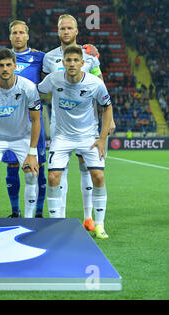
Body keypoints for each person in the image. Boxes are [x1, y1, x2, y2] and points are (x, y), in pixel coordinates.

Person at [42, 14, 114, 230]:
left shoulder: (90, 54)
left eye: (69, 28)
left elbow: (100, 87)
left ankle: (89, 217)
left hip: (87, 125)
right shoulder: (49, 58)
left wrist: (110, 121)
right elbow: (44, 91)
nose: (66, 31)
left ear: (76, 31)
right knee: (58, 172)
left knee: (88, 169)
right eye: (62, 28)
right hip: (60, 124)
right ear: (58, 31)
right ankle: (60, 221)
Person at [0, 49, 42, 218]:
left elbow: (36, 120)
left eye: (8, 65)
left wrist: (32, 153)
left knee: (31, 174)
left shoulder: (28, 87)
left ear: (15, 66)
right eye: (1, 65)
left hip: (22, 137)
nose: (5, 69)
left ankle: (29, 220)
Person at [0, 20, 47, 218]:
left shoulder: (39, 57)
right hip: (10, 121)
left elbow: (65, 61)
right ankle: (15, 210)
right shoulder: (1, 58)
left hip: (33, 119)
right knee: (12, 166)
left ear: (27, 36)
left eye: (21, 32)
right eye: (14, 33)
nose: (18, 36)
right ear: (10, 36)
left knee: (38, 164)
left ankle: (38, 212)